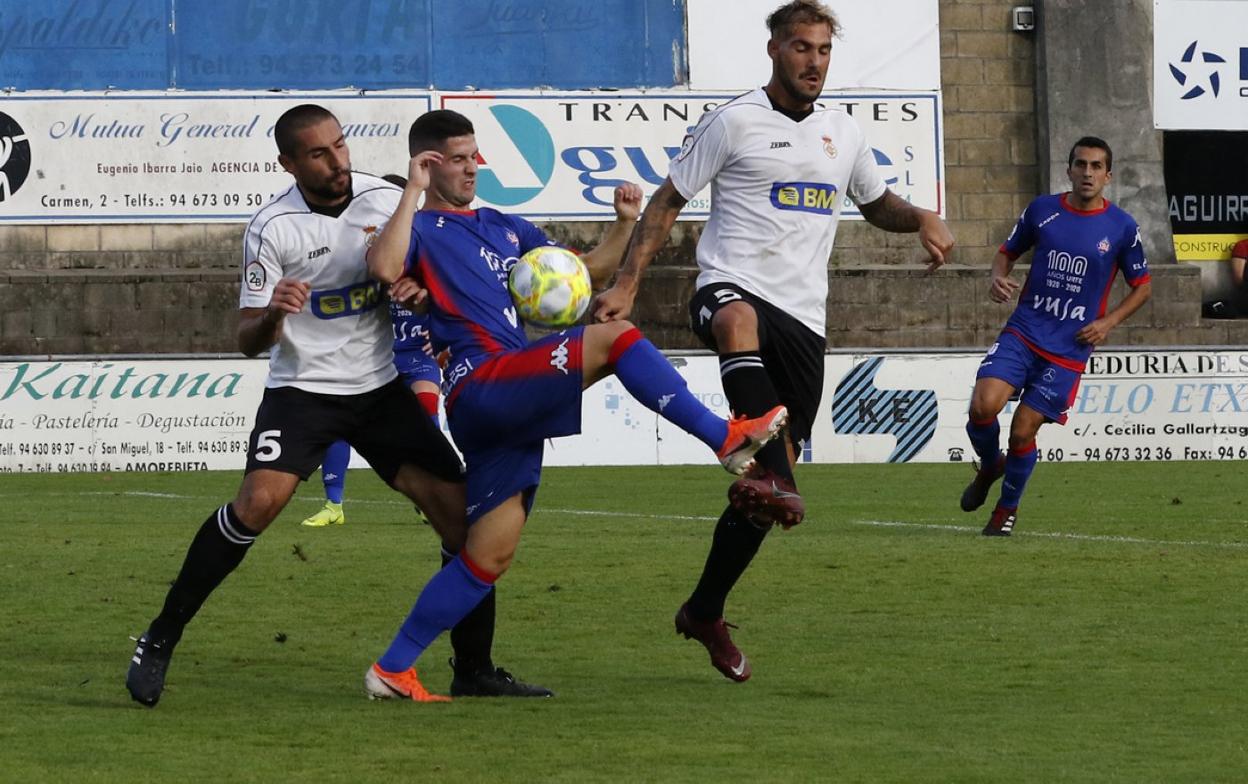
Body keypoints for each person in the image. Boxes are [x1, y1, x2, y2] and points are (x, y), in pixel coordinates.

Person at [360, 109, 790, 701]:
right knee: (616, 340)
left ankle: (392, 669)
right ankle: (725, 436)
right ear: (429, 163)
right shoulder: (415, 228)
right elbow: (383, 269)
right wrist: (411, 189)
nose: (471, 169)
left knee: (486, 557)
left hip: (508, 394)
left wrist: (624, 223)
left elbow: (587, 272)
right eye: (457, 159)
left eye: (473, 157)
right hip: (481, 381)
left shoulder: (505, 226)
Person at [125, 105, 547, 707]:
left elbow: (430, 275)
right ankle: (161, 636)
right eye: (319, 154)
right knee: (258, 502)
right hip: (303, 391)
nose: (337, 161)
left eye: (340, 146)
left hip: (378, 389)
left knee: (463, 520)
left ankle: (473, 668)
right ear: (289, 163)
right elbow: (247, 340)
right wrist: (273, 313)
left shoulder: (386, 200)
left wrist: (420, 294)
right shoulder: (272, 229)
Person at [593, 0, 955, 682]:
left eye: (822, 50)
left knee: (764, 502)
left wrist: (923, 218)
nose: (812, 61)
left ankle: (704, 609)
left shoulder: (842, 134)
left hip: (803, 323)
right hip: (730, 286)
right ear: (774, 50)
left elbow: (877, 205)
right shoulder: (733, 122)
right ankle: (758, 447)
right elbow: (668, 201)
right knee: (737, 323)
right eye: (800, 48)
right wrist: (628, 288)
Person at [960, 136, 1151, 536]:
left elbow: (1143, 286)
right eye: (1080, 164)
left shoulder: (1121, 227)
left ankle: (1005, 511)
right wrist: (998, 277)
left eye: (1096, 166)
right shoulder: (1043, 210)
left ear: (1108, 175)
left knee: (1023, 431)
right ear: (1068, 170)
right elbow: (1006, 252)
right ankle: (991, 464)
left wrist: (1108, 322)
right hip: (1025, 330)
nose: (1087, 172)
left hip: (1069, 347)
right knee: (982, 407)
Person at [301, 175, 443, 529]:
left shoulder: (427, 248)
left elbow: (454, 293)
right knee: (339, 426)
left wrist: (443, 331)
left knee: (427, 417)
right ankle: (334, 505)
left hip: (418, 355)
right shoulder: (368, 253)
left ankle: (431, 498)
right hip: (377, 356)